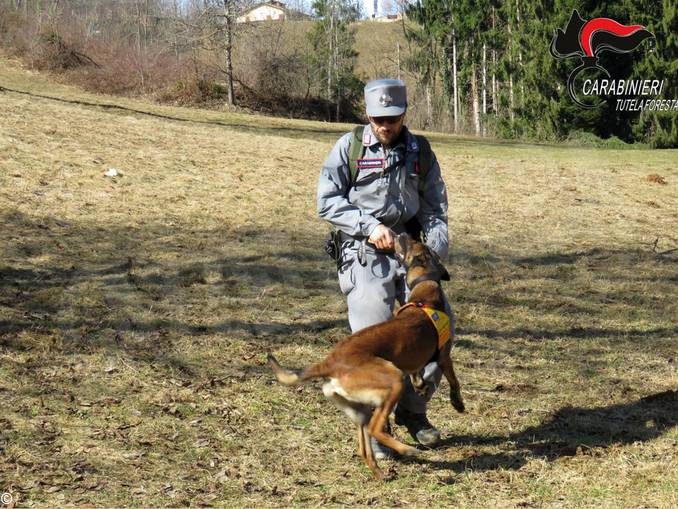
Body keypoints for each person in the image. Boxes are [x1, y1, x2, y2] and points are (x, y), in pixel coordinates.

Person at [316, 78, 452, 458]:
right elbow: (326, 202)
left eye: (392, 118)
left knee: (440, 332)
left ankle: (414, 413)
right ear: (367, 114)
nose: (385, 125)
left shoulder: (419, 150)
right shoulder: (350, 147)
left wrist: (430, 258)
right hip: (364, 253)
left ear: (404, 114)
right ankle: (378, 427)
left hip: (410, 255)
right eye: (378, 118)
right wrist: (369, 226)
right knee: (374, 337)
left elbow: (435, 209)